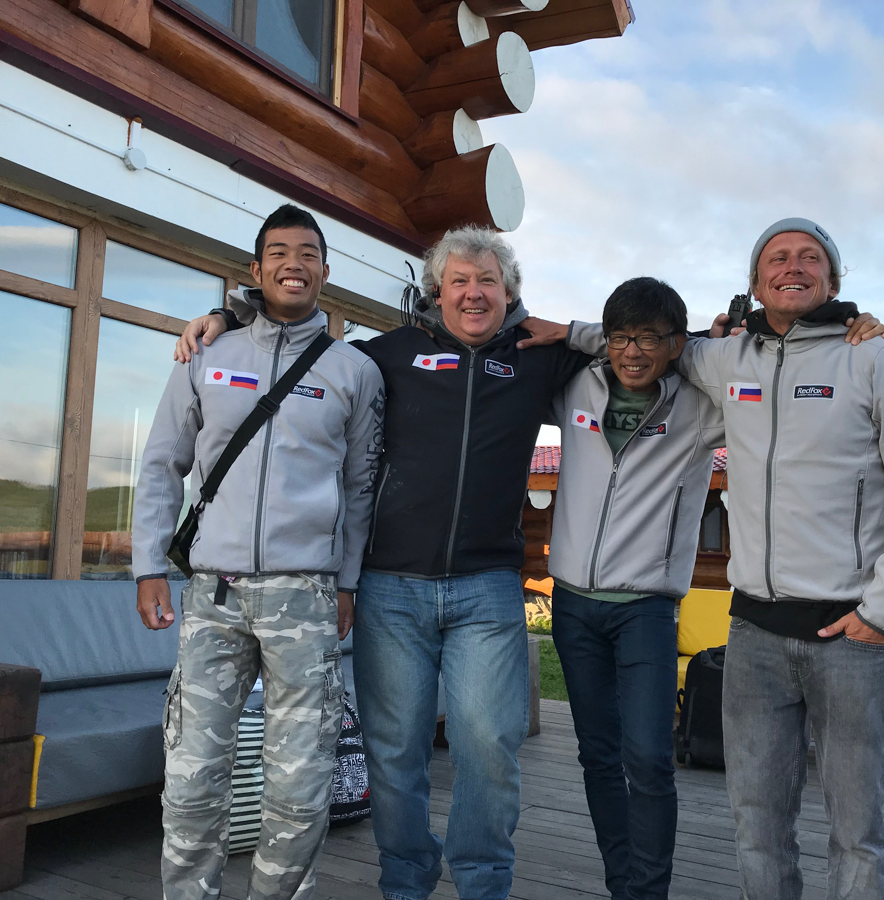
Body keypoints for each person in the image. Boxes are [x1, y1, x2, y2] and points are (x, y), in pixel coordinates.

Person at [527, 218, 884, 900]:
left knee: (858, 832)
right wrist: (571, 331)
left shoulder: (878, 361)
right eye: (776, 258)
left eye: (809, 257)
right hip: (753, 634)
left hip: (851, 635)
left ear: (833, 279)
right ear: (755, 282)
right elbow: (649, 342)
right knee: (757, 827)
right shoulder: (728, 362)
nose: (792, 266)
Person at [173, 226, 592, 900]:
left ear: (509, 293)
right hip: (391, 587)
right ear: (437, 292)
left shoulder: (537, 359)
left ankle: (483, 883)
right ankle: (405, 880)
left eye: (487, 281)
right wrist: (231, 315)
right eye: (459, 281)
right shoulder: (388, 356)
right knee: (394, 752)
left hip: (487, 588)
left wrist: (573, 331)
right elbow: (301, 347)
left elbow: (642, 346)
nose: (473, 293)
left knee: (490, 744)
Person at [133, 204, 385, 900]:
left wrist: (347, 583)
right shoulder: (208, 354)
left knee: (301, 786)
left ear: (325, 271)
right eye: (278, 252)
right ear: (256, 268)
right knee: (191, 777)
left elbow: (361, 488)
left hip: (306, 596)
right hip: (212, 595)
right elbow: (162, 465)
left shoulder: (354, 371)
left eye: (307, 254)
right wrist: (148, 565)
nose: (292, 264)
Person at [546, 276, 723, 900]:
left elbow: (760, 380)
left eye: (650, 339)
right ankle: (622, 883)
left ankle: (648, 890)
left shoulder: (700, 408)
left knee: (648, 757)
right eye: (621, 337)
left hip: (645, 607)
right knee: (598, 755)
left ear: (676, 344)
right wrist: (581, 337)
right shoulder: (575, 387)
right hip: (572, 605)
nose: (633, 352)